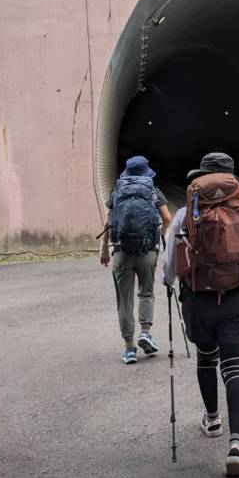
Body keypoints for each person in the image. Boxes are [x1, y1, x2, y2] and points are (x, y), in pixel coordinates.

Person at [163, 152, 239, 478]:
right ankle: (236, 444)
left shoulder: (185, 213)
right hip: (236, 299)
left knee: (207, 358)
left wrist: (169, 282)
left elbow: (170, 263)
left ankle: (213, 420)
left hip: (199, 301)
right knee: (235, 366)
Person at [100, 155, 172, 363]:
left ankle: (129, 348)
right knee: (146, 293)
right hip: (146, 251)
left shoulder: (117, 191)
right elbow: (167, 218)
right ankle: (145, 333)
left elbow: (109, 223)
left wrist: (104, 250)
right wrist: (159, 233)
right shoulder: (152, 190)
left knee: (124, 300)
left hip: (122, 252)